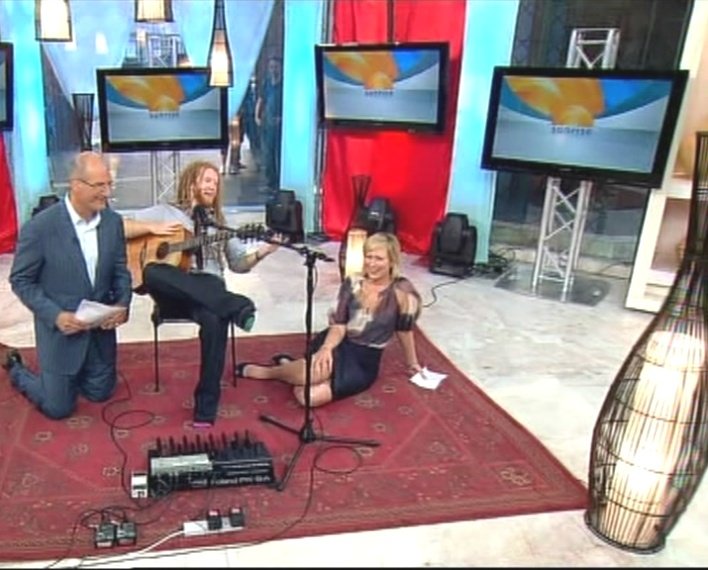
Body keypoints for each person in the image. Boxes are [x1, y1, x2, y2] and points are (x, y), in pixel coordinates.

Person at [123, 159, 281, 428]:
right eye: (207, 180)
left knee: (214, 319)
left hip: (209, 288)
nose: (212, 186)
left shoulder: (219, 223)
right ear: (191, 182)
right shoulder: (164, 212)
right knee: (151, 271)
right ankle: (235, 305)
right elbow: (119, 226)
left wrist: (264, 251)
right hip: (173, 291)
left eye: (215, 183)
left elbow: (238, 264)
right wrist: (151, 228)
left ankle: (205, 409)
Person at [1, 151, 132, 420]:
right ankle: (14, 366)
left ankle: (81, 372)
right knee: (58, 407)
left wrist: (122, 304)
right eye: (99, 186)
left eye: (109, 184)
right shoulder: (40, 228)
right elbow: (21, 280)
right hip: (60, 333)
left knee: (100, 393)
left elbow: (121, 270)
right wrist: (55, 315)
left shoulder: (113, 222)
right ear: (76, 185)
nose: (107, 192)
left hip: (99, 332)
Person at [237, 232, 423, 407]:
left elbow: (404, 330)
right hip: (340, 343)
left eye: (379, 259)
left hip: (364, 360)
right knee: (310, 374)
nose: (371, 263)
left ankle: (290, 367)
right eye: (369, 257)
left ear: (392, 261)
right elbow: (339, 325)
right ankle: (269, 372)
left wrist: (412, 363)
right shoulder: (353, 282)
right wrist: (326, 348)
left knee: (307, 397)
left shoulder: (403, 291)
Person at [255, 56, 283, 194]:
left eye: (275, 67)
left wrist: (282, 118)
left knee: (279, 155)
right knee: (268, 155)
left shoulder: (284, 84)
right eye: (271, 67)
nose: (273, 70)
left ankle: (279, 184)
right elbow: (261, 99)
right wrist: (257, 115)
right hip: (268, 124)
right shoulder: (267, 82)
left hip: (280, 126)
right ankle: (271, 183)